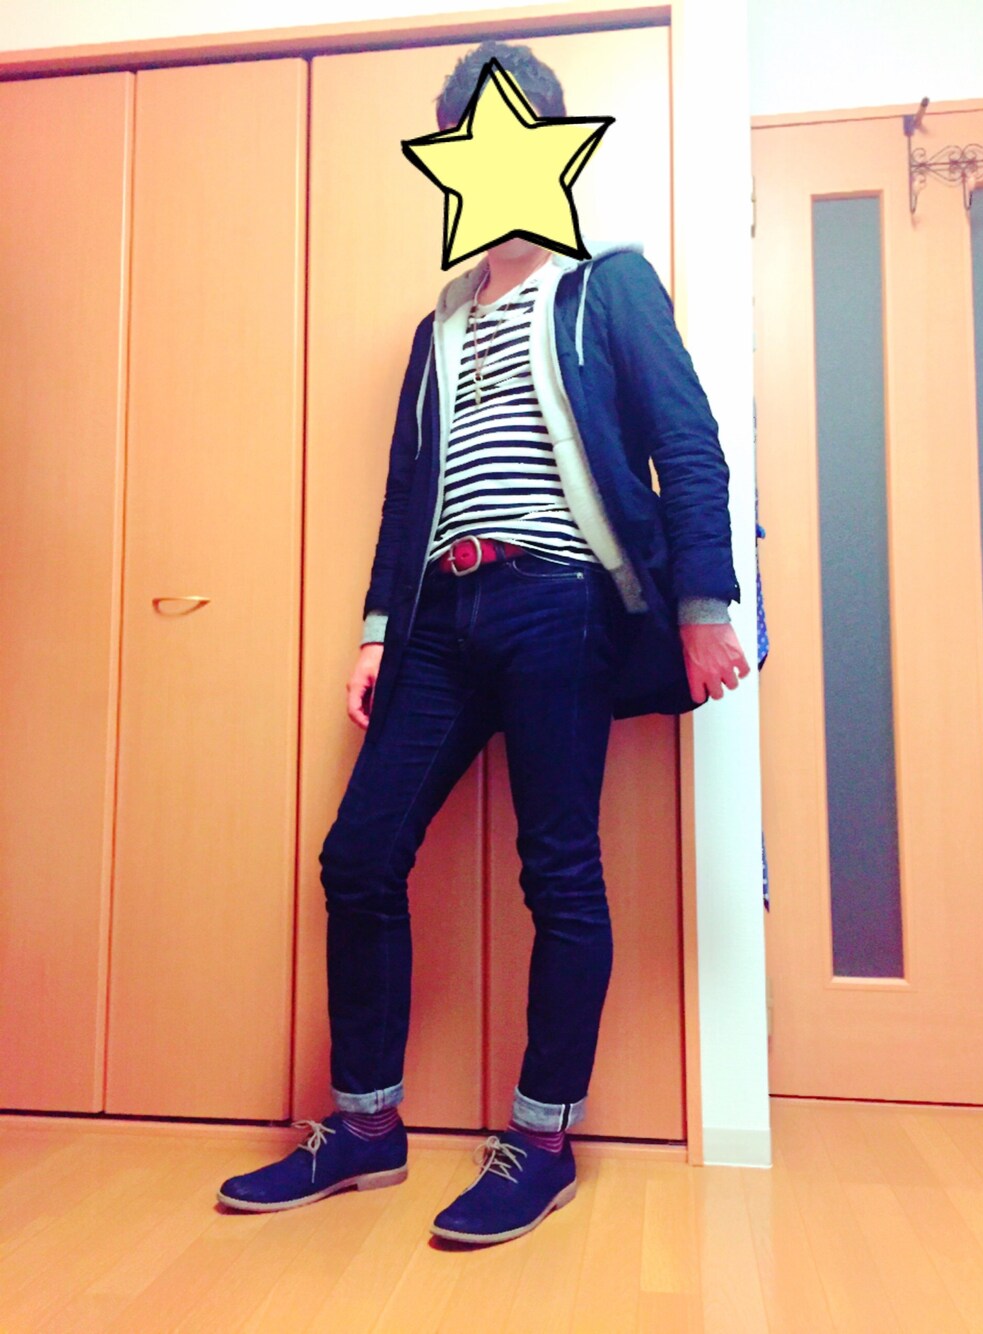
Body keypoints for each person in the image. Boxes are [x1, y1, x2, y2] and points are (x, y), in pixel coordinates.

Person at [218, 39, 750, 1246]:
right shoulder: (440, 325)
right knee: (359, 855)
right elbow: (408, 495)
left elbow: (688, 443)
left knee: (558, 869)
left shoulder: (606, 285)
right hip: (439, 620)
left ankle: (541, 1140)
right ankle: (366, 1126)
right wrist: (375, 635)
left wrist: (703, 608)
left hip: (562, 603)